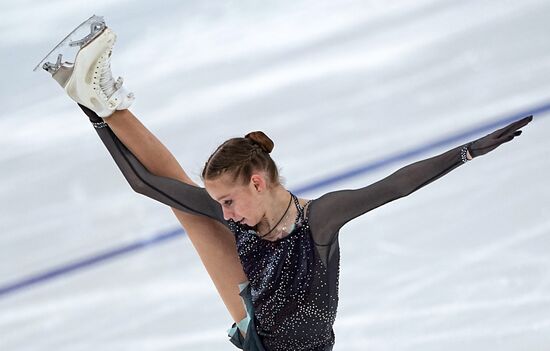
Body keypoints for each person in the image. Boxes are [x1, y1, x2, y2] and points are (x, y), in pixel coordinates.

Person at [45, 25, 533, 351]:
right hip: (261, 323)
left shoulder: (319, 219)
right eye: (222, 204)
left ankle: (99, 97)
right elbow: (145, 184)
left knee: (187, 208)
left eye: (230, 200)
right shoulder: (236, 215)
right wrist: (89, 116)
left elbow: (397, 185)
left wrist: (467, 151)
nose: (226, 212)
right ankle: (98, 97)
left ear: (258, 182)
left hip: (260, 336)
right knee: (183, 204)